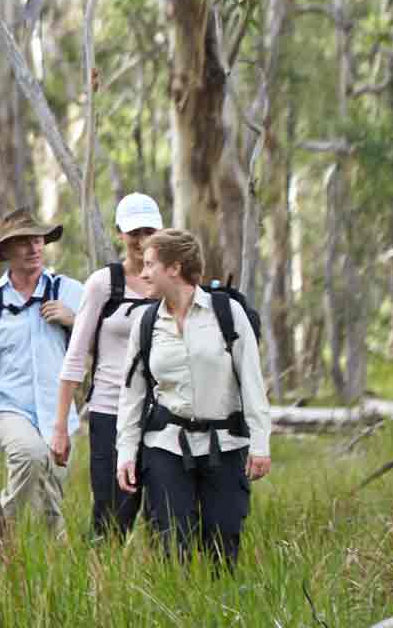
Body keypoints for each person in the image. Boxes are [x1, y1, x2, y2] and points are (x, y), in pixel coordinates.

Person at [116, 228, 272, 565]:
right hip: (166, 446)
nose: (142, 273)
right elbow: (132, 395)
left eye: (149, 264)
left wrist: (260, 444)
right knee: (173, 546)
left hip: (226, 446)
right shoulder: (145, 323)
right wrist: (126, 452)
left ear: (174, 268)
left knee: (223, 544)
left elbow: (252, 382)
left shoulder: (227, 313)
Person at [0, 208, 85, 530]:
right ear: (6, 252)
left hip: (58, 411)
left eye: (38, 240)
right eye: (24, 242)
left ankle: (54, 559)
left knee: (52, 494)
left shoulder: (69, 291)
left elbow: (103, 337)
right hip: (8, 406)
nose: (34, 248)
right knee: (29, 455)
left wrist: (74, 320)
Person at [52, 193, 162, 539]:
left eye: (149, 231)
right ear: (119, 233)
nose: (142, 240)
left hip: (163, 414)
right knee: (114, 515)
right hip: (110, 411)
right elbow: (76, 354)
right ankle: (101, 582)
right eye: (134, 232)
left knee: (165, 516)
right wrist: (60, 426)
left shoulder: (169, 281)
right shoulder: (104, 283)